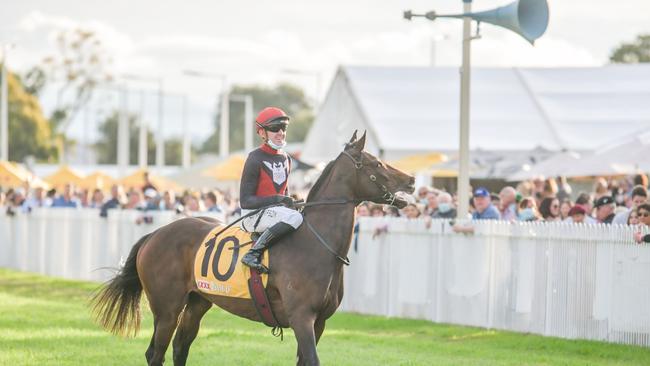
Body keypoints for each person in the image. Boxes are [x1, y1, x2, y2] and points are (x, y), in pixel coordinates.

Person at [239, 107, 302, 273]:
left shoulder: (286, 158)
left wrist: (291, 203)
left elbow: (284, 194)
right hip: (252, 215)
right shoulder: (254, 158)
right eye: (275, 128)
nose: (280, 132)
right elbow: (245, 201)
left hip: (274, 213)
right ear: (262, 132)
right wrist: (277, 200)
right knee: (295, 218)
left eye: (284, 128)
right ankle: (253, 253)